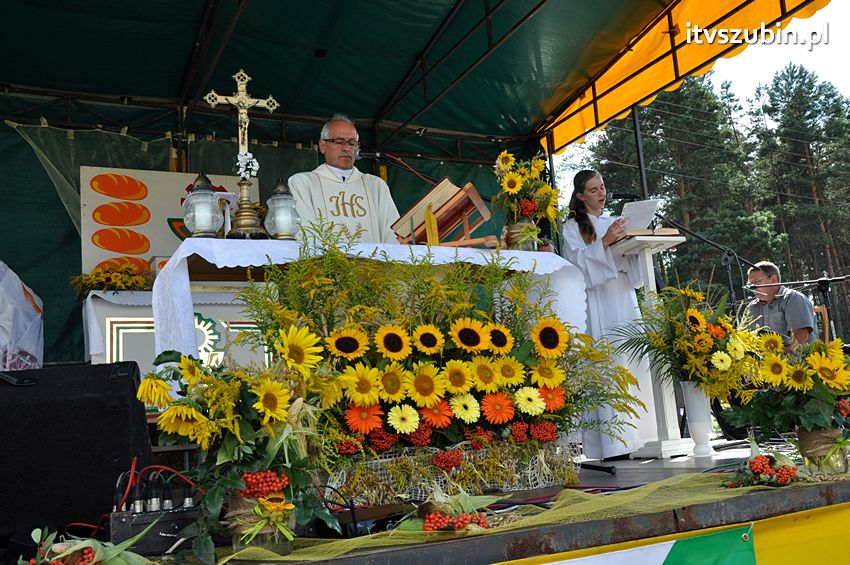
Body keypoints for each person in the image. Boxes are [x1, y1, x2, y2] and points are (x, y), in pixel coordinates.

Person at [560, 169, 655, 460]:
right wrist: (605, 243)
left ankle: (646, 436)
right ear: (579, 196)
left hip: (624, 297)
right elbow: (575, 264)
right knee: (609, 365)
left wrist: (641, 243)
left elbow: (631, 262)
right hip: (599, 301)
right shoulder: (572, 227)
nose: (601, 193)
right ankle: (612, 444)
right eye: (593, 189)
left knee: (634, 362)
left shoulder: (615, 221)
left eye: (602, 187)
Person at [288, 114, 401, 243]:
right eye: (339, 141)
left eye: (352, 143)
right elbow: (306, 234)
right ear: (322, 145)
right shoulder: (303, 183)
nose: (347, 148)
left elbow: (392, 235)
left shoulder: (375, 186)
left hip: (374, 263)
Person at [746, 261, 818, 348]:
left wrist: (774, 357)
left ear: (773, 279)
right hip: (764, 360)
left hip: (796, 359)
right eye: (750, 284)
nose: (753, 288)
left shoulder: (793, 298)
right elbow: (744, 339)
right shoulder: (751, 307)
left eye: (757, 282)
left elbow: (800, 339)